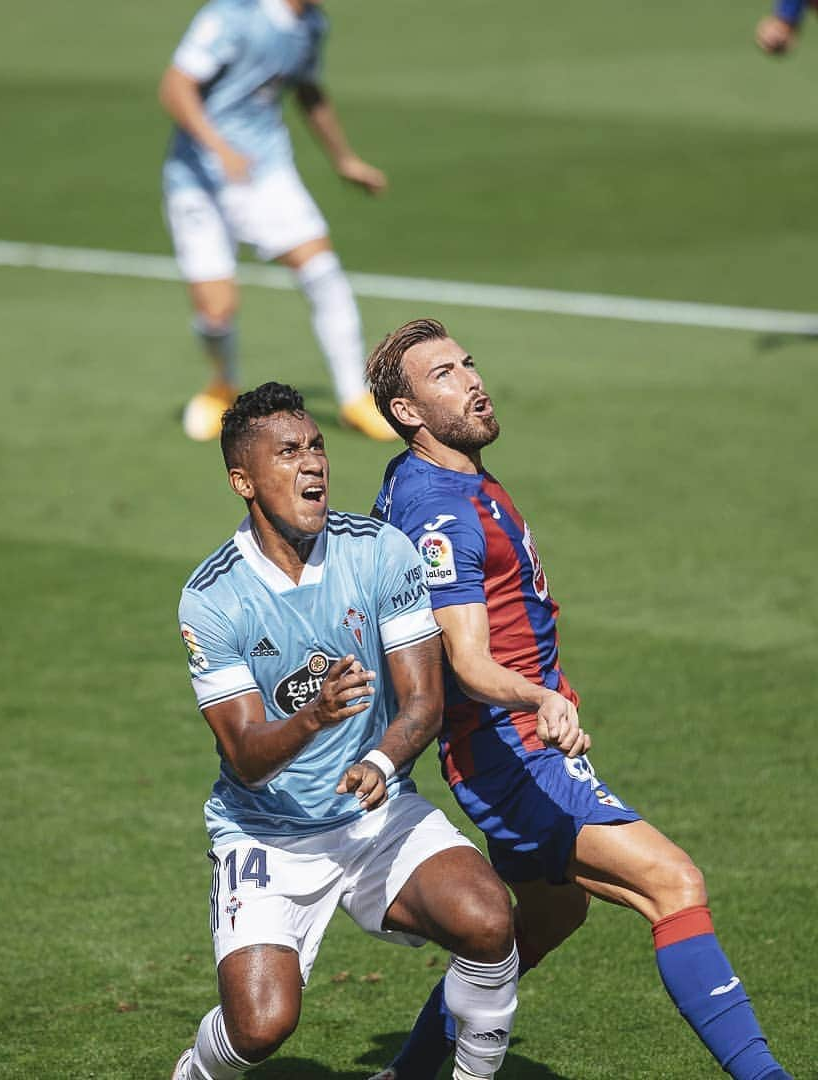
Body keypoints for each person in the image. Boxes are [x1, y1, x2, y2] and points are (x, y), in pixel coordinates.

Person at [362, 318, 792, 1080]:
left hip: (507, 741)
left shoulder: (422, 476)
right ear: (407, 413)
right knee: (674, 884)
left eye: (469, 365)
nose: (472, 382)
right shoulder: (442, 511)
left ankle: (408, 1072)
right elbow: (466, 660)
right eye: (444, 377)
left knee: (549, 918)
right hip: (512, 748)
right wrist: (540, 698)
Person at [172, 382, 523, 1080]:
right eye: (287, 453)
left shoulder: (380, 552)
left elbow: (422, 700)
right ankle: (196, 1072)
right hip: (268, 833)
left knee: (488, 920)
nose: (312, 465)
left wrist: (384, 764)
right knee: (260, 1028)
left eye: (317, 446)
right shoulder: (211, 597)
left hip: (374, 816)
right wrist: (316, 714)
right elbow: (244, 757)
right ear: (243, 480)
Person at [159, 0, 397, 443]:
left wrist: (344, 159)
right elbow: (175, 87)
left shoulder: (311, 24)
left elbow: (308, 90)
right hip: (199, 180)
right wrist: (218, 147)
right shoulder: (231, 17)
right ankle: (221, 385)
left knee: (322, 270)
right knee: (216, 311)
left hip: (265, 172)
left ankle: (354, 398)